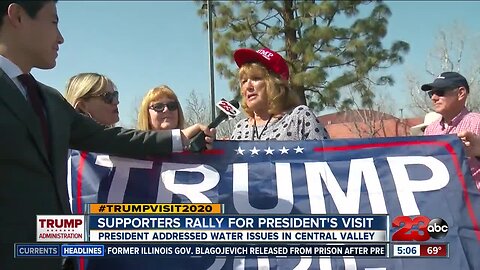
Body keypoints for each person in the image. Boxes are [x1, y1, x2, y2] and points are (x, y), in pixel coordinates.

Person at [0, 2, 214, 269]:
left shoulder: (49, 100)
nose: (61, 37)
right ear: (17, 16)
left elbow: (111, 138)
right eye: (53, 22)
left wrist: (179, 137)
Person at [230, 47, 329, 140]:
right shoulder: (240, 129)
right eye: (244, 81)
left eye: (256, 78)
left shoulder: (299, 117)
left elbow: (326, 156)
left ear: (276, 83)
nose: (248, 86)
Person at [420, 71, 480, 190]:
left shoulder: (477, 123)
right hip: (442, 204)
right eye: (431, 93)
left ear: (461, 93)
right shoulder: (430, 130)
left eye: (440, 92)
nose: (434, 98)